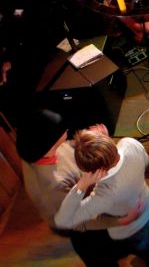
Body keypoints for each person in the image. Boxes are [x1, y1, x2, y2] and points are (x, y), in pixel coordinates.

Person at [15, 109, 137, 266]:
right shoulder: (52, 186)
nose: (67, 131)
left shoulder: (37, 150)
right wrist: (118, 221)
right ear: (49, 143)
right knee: (102, 255)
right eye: (62, 133)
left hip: (85, 204)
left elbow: (67, 147)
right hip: (80, 225)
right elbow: (80, 221)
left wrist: (90, 140)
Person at [53, 128, 149, 266]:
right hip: (148, 202)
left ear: (91, 172)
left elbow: (63, 220)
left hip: (131, 228)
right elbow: (145, 160)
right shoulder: (129, 144)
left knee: (144, 245)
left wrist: (81, 186)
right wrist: (104, 147)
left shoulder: (104, 195)